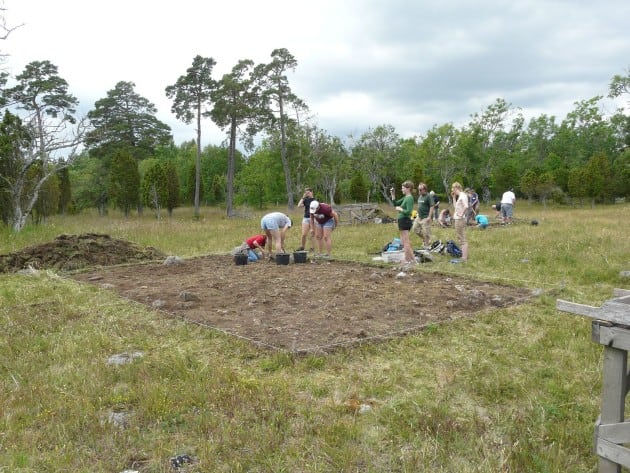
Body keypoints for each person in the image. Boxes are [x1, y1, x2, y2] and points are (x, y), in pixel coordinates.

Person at [390, 181, 415, 267]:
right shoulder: (405, 197)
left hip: (405, 220)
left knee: (405, 242)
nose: (402, 189)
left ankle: (407, 260)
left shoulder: (409, 198)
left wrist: (400, 209)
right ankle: (413, 260)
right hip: (402, 220)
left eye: (403, 188)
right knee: (404, 241)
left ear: (408, 188)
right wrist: (393, 194)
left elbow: (409, 211)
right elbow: (395, 204)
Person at [412, 182, 435, 249]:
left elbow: (432, 206)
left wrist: (429, 217)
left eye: (420, 190)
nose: (419, 191)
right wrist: (414, 216)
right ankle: (425, 240)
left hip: (426, 217)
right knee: (415, 229)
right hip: (419, 216)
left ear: (425, 189)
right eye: (418, 189)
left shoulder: (428, 196)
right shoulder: (420, 196)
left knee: (426, 232)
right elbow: (419, 207)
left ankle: (427, 246)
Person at [451, 182, 469, 262]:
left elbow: (466, 206)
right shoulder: (460, 196)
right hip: (457, 219)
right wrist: (454, 198)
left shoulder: (463, 196)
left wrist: (461, 214)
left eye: (452, 188)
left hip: (460, 219)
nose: (452, 190)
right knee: (460, 237)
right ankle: (463, 256)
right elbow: (456, 207)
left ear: (456, 188)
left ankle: (464, 258)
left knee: (462, 238)